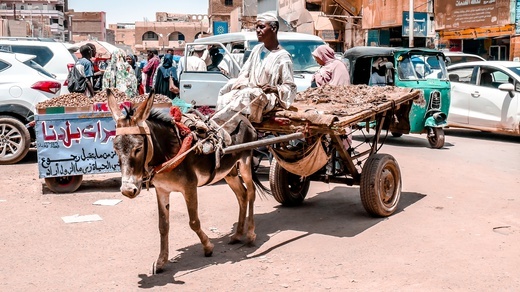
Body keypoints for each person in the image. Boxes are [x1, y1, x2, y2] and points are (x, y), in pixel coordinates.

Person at [215, 11, 296, 123]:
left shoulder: (283, 57)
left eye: (262, 27)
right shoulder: (257, 50)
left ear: (273, 28)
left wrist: (273, 88)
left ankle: (223, 121)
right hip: (249, 91)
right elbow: (244, 73)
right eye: (256, 27)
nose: (257, 30)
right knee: (227, 89)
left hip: (267, 97)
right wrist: (242, 85)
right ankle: (219, 123)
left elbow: (290, 87)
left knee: (249, 96)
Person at [311, 44, 352, 152]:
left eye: (317, 58)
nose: (316, 60)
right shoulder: (325, 66)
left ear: (323, 55)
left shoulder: (337, 66)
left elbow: (338, 87)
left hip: (334, 105)